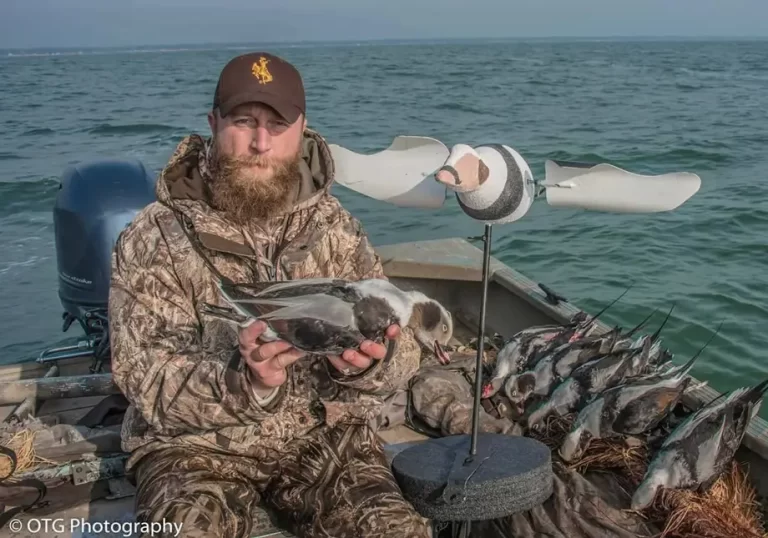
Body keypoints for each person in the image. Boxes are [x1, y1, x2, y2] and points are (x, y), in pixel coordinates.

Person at [108, 52, 431, 538]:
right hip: (194, 448)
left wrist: (372, 366)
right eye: (244, 121)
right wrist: (248, 384)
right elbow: (143, 376)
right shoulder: (153, 236)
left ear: (301, 129)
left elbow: (402, 352)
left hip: (324, 438)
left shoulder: (338, 230)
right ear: (213, 124)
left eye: (277, 125)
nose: (261, 143)